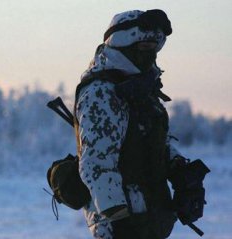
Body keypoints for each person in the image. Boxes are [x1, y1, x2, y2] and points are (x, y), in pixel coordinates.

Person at [74, 9, 191, 239]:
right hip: (120, 227)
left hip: (149, 221)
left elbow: (154, 141)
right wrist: (119, 219)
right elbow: (96, 164)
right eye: (145, 48)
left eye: (154, 48)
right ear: (124, 46)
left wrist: (181, 171)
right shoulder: (102, 92)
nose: (152, 55)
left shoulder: (141, 89)